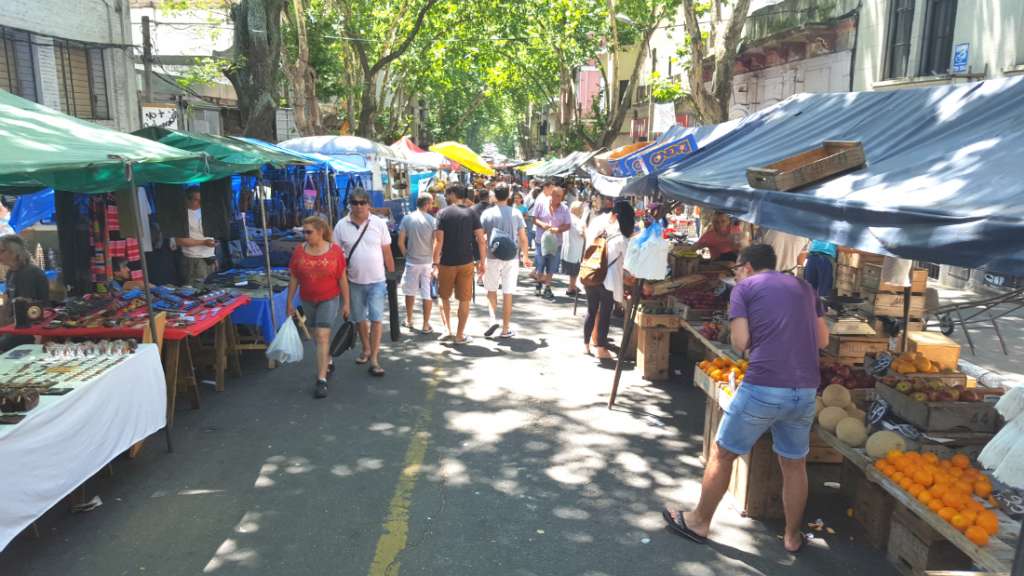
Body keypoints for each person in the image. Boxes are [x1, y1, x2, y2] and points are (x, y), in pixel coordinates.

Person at [663, 244, 828, 553]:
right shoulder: (805, 287)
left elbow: (740, 343)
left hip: (764, 385)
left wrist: (759, 340)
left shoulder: (744, 289)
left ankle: (699, 521)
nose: (737, 274)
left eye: (737, 269)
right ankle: (792, 537)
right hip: (805, 389)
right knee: (794, 464)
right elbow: (822, 339)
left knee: (723, 453)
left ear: (748, 267)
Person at [287, 216, 350, 398]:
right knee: (317, 336)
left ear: (320, 231)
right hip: (307, 299)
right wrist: (289, 301)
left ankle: (321, 379)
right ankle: (327, 360)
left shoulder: (335, 252)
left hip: (329, 298)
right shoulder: (299, 251)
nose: (305, 235)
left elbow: (342, 279)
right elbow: (294, 277)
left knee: (322, 336)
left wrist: (346, 303)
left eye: (309, 232)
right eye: (303, 232)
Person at [333, 189, 395, 377]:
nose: (358, 206)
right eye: (355, 202)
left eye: (362, 202)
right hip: (353, 281)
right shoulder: (341, 226)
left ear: (369, 204)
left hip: (377, 280)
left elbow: (387, 252)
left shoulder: (378, 224)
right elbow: (336, 256)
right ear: (349, 204)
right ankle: (366, 349)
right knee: (360, 319)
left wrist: (392, 277)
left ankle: (375, 358)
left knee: (376, 319)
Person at [433, 183, 486, 345]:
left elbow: (438, 240)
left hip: (446, 262)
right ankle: (459, 335)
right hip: (466, 262)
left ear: (453, 194)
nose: (446, 197)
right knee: (464, 300)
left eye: (447, 194)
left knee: (444, 297)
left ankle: (447, 329)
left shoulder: (442, 213)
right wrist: (482, 262)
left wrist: (435, 263)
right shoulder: (472, 213)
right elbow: (481, 240)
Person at [583, 202, 634, 360]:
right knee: (605, 314)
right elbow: (629, 263)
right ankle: (601, 348)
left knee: (591, 311)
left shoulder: (601, 233)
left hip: (592, 276)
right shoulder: (622, 239)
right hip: (608, 281)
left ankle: (586, 345)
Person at [480, 184, 531, 338]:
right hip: (511, 257)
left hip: (492, 256)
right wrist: (526, 257)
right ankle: (505, 329)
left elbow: (481, 238)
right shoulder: (516, 213)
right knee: (508, 292)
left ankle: (492, 319)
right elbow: (523, 238)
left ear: (494, 196)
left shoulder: (487, 214)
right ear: (508, 195)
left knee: (491, 290)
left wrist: (481, 260)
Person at [0, 235, 49, 352]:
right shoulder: (11, 273)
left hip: (29, 330)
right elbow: (8, 305)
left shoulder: (29, 273)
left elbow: (26, 311)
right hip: (16, 326)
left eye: (1, 251)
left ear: (14, 253)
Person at [398, 194, 437, 334]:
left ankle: (409, 319)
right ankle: (426, 324)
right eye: (431, 203)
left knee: (410, 292)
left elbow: (400, 242)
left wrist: (406, 255)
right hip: (427, 262)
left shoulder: (407, 218)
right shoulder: (432, 220)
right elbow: (435, 242)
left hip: (412, 262)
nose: (432, 206)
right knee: (427, 293)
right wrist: (435, 261)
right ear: (426, 204)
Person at [530, 180, 571, 300]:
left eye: (560, 196)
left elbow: (568, 225)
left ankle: (547, 287)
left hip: (556, 243)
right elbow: (534, 218)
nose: (558, 198)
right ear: (551, 194)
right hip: (540, 241)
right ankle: (538, 283)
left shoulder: (564, 208)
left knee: (552, 266)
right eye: (556, 195)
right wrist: (542, 225)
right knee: (540, 264)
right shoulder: (541, 203)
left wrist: (558, 229)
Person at [175, 189, 217, 285]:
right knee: (197, 290)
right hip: (193, 259)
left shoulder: (203, 211)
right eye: (196, 200)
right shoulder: (181, 215)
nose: (200, 203)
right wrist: (203, 242)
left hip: (209, 257)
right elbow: (179, 240)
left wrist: (214, 256)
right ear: (187, 200)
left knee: (210, 289)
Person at [561, 201, 586, 297]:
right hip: (575, 247)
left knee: (573, 270)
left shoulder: (567, 218)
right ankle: (571, 287)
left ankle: (572, 286)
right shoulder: (578, 221)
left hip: (569, 247)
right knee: (574, 271)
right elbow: (581, 233)